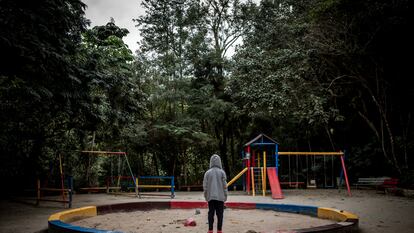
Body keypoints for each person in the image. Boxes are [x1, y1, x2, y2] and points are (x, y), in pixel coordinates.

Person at [203, 154, 228, 233]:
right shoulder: (222, 172)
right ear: (219, 162)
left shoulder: (207, 173)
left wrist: (206, 196)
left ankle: (210, 230)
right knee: (220, 214)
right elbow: (225, 186)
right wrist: (225, 196)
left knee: (211, 213)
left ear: (211, 162)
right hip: (220, 198)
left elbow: (205, 186)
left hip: (210, 197)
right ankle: (219, 230)